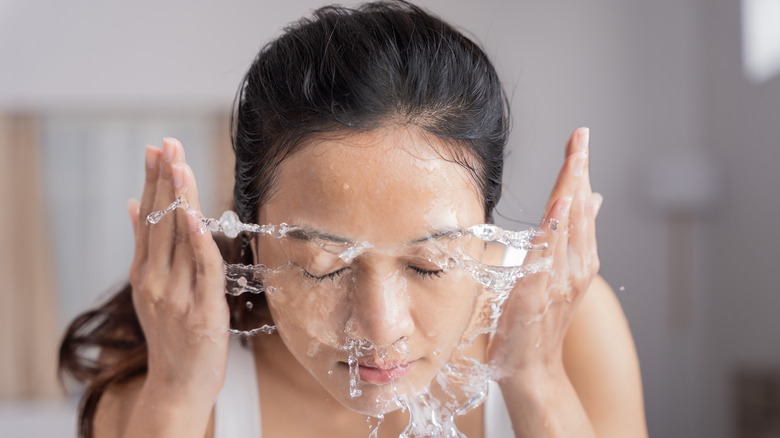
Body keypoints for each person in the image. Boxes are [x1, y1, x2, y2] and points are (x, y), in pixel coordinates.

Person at [59, 1, 647, 437]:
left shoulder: (573, 328)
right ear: (254, 241)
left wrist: (537, 383)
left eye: (430, 264)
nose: (381, 328)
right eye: (323, 267)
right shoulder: (160, 386)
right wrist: (176, 398)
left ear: (486, 226)